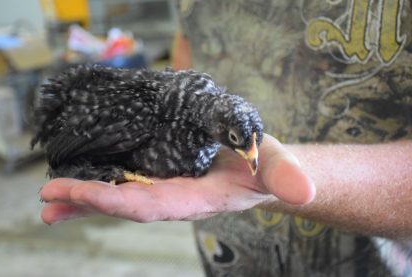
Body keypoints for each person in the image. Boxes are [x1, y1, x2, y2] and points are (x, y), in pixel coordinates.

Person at [40, 1, 412, 276]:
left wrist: (291, 170)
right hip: (225, 255)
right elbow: (187, 42)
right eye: (240, 142)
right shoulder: (148, 117)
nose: (250, 156)